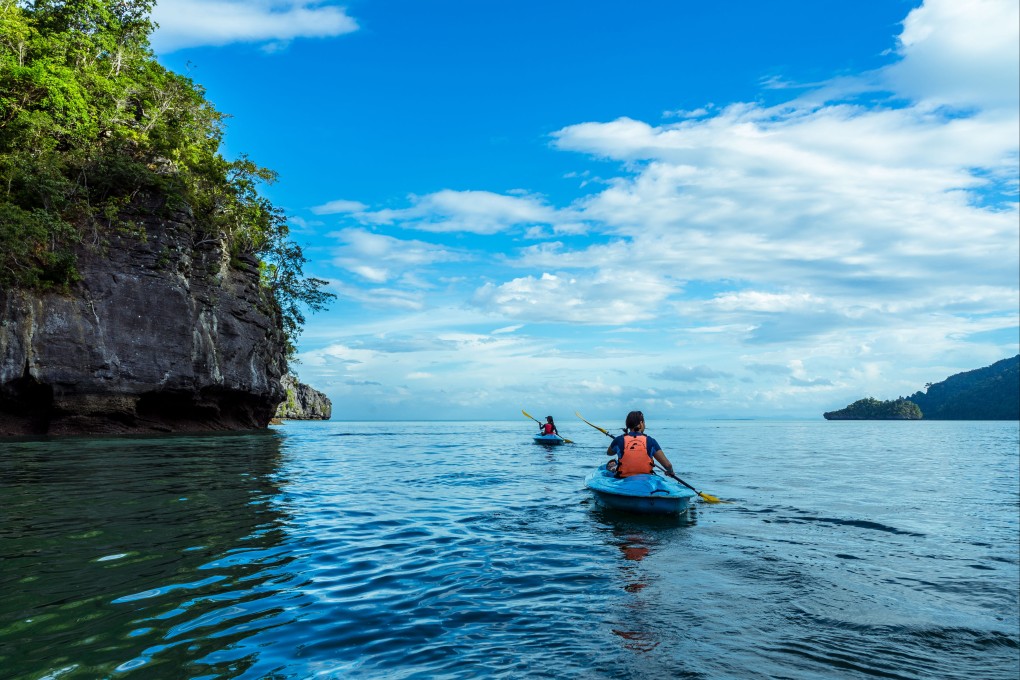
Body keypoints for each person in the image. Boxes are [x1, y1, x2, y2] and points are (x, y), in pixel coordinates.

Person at [606, 410, 675, 478]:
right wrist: (670, 472)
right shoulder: (651, 441)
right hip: (646, 479)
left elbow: (609, 453)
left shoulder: (619, 439)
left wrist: (617, 443)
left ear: (627, 424)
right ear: (641, 423)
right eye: (644, 422)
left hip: (623, 478)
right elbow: (668, 465)